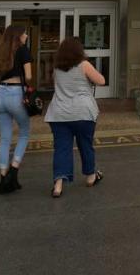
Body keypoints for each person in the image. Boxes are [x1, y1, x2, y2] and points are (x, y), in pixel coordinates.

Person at [45, 37, 106, 198]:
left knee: (62, 148)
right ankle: (91, 176)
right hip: (82, 113)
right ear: (79, 50)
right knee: (85, 144)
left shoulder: (57, 68)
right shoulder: (84, 65)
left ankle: (58, 185)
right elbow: (101, 80)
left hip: (59, 113)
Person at [0, 25, 33, 195]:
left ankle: (3, 178)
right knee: (23, 133)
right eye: (24, 33)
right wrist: (27, 83)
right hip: (16, 93)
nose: (26, 35)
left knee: (5, 138)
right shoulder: (23, 51)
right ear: (18, 36)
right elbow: (28, 76)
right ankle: (13, 171)